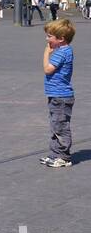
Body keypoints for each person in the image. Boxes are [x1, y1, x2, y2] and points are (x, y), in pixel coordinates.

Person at [40, 19, 75, 168]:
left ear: (61, 39)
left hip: (61, 96)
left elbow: (47, 69)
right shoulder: (64, 50)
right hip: (57, 95)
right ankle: (55, 154)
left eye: (49, 36)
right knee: (55, 126)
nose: (47, 39)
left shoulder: (61, 52)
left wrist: (46, 52)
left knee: (60, 126)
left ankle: (63, 157)